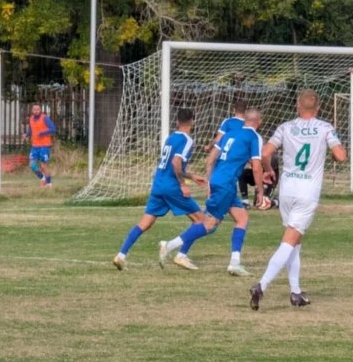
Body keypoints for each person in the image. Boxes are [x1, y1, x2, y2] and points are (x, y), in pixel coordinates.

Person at [249, 90, 347, 310]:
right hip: (306, 192)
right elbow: (341, 156)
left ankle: (295, 293)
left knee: (295, 243)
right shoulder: (324, 128)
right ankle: (261, 285)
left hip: (287, 191)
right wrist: (332, 152)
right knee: (289, 242)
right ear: (318, 107)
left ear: (297, 106)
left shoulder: (285, 127)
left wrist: (267, 171)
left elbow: (265, 152)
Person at [160, 109, 265, 275]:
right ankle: (169, 245)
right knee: (209, 225)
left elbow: (211, 158)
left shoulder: (230, 133)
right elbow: (257, 167)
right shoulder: (254, 137)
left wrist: (210, 182)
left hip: (219, 181)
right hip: (226, 185)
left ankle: (234, 263)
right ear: (259, 122)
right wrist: (260, 191)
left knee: (242, 219)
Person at [113, 108, 206, 270]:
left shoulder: (170, 138)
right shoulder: (187, 140)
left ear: (177, 122)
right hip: (172, 187)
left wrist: (191, 176)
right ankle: (180, 255)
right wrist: (183, 184)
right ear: (192, 121)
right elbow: (176, 163)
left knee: (144, 223)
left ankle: (121, 255)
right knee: (202, 221)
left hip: (158, 184)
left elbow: (172, 164)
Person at [22, 104, 56, 188]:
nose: (36, 111)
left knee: (43, 166)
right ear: (32, 110)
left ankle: (49, 184)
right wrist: (27, 135)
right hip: (35, 146)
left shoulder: (44, 118)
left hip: (44, 146)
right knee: (32, 165)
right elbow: (31, 130)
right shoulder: (31, 119)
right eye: (34, 109)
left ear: (40, 110)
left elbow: (53, 128)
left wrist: (42, 133)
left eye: (38, 109)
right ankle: (43, 178)